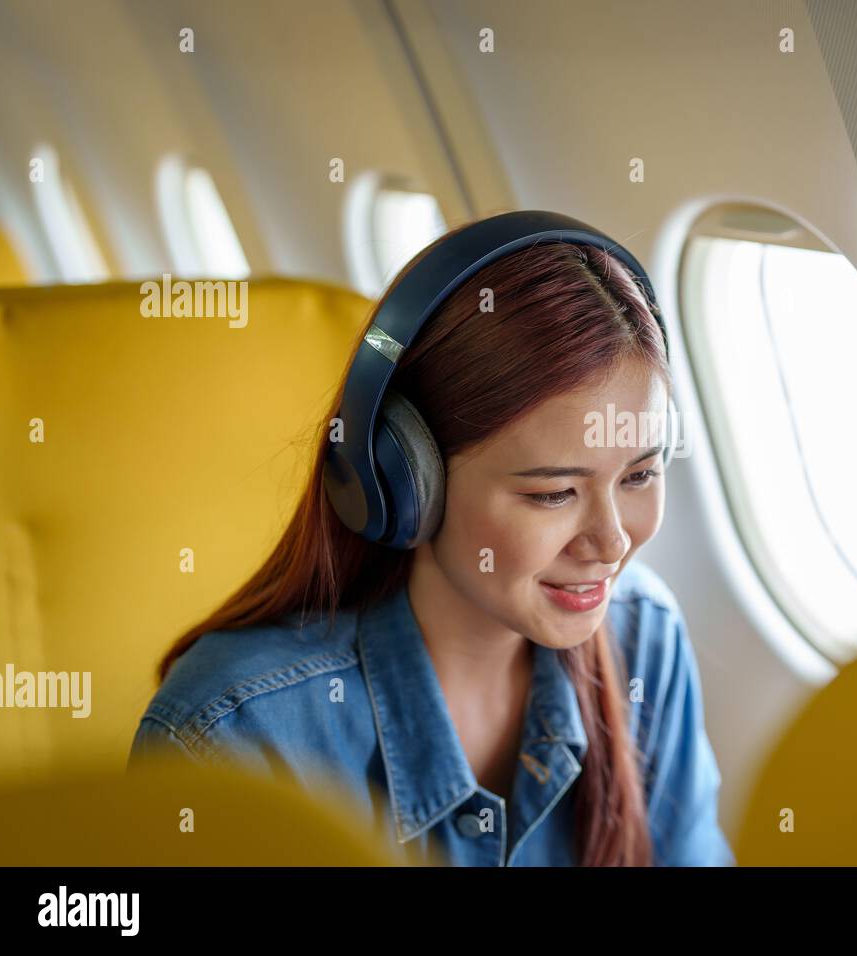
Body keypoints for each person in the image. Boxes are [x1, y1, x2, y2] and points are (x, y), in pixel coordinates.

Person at [127, 217, 735, 867]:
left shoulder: (646, 641)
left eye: (640, 475)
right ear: (404, 482)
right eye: (553, 493)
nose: (612, 542)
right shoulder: (235, 737)